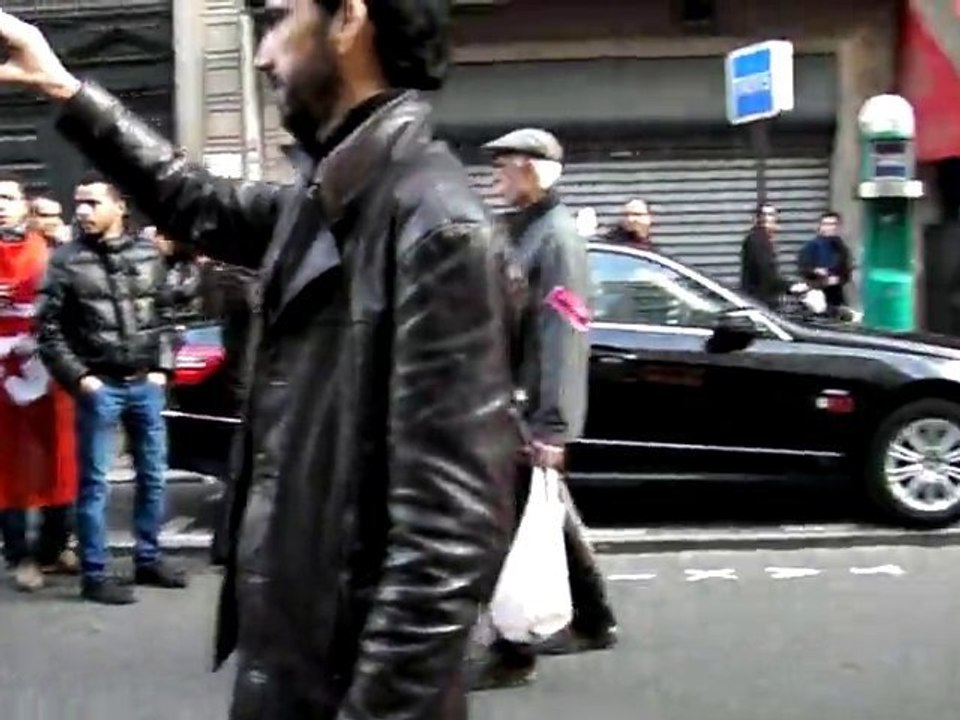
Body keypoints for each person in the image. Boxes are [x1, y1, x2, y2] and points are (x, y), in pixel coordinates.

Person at [0, 2, 517, 718]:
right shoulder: (332, 195)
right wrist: (62, 86)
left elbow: (447, 542)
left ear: (349, 20)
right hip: (295, 659)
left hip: (339, 682)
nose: (262, 54)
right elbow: (193, 198)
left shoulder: (438, 227)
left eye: (278, 21)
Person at [475, 128, 618, 690]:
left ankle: (514, 651)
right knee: (544, 511)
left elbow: (565, 333)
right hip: (514, 400)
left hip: (527, 406)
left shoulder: (556, 241)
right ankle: (594, 618)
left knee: (510, 524)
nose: (496, 177)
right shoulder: (525, 229)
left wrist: (553, 425)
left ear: (533, 172)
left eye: (505, 167)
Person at [36, 171, 186, 605]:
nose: (82, 211)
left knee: (153, 476)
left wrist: (162, 368)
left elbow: (167, 317)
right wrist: (81, 378)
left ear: (119, 206)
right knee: (95, 483)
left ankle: (148, 558)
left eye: (93, 202)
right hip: (99, 387)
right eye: (78, 203)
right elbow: (47, 330)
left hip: (145, 383)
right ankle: (95, 573)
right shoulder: (66, 260)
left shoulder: (147, 253)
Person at [0, 173, 78, 591]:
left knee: (59, 460)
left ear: (24, 205)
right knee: (8, 468)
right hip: (3, 377)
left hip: (48, 370)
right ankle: (20, 555)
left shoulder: (51, 252)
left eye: (7, 197)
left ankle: (55, 545)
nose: (0, 206)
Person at [739, 202, 805, 308]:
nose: (767, 219)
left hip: (762, 299)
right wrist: (790, 286)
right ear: (757, 219)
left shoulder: (763, 238)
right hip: (759, 301)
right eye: (764, 215)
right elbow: (766, 274)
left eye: (770, 215)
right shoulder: (757, 240)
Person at [798, 210, 853, 312]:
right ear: (820, 226)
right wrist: (816, 271)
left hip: (836, 297)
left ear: (838, 227)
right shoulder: (811, 246)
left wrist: (838, 279)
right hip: (815, 298)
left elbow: (846, 274)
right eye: (826, 224)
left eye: (833, 224)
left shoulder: (842, 248)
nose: (830, 227)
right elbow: (803, 269)